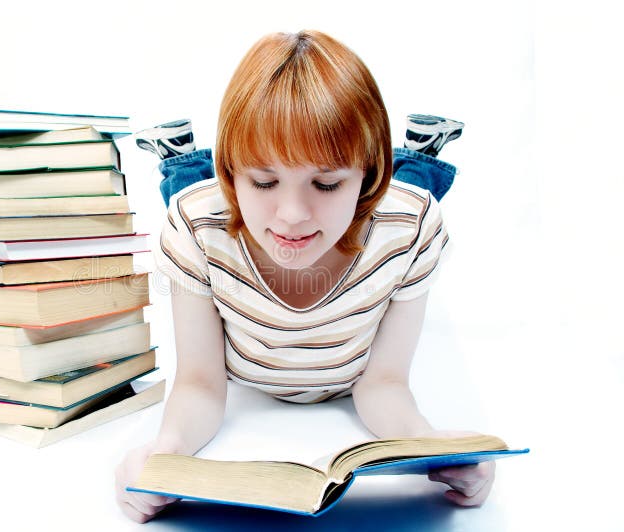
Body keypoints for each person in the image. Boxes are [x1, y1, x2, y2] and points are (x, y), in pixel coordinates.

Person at [115, 30, 492, 523]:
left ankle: (418, 154)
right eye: (264, 181)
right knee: (187, 195)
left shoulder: (409, 226)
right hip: (212, 220)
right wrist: (165, 452)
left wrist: (426, 445)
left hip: (385, 213)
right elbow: (201, 383)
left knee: (413, 192)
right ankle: (180, 159)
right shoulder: (195, 222)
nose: (292, 215)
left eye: (328, 182)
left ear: (368, 177)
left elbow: (383, 382)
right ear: (230, 173)